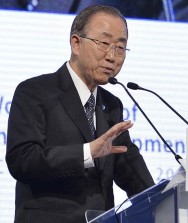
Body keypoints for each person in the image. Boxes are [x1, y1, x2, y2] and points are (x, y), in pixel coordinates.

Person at [6, 5, 154, 223]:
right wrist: (87, 153)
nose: (112, 57)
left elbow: (134, 175)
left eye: (120, 48)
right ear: (76, 43)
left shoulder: (111, 105)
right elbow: (22, 160)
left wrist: (174, 191)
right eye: (104, 44)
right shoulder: (35, 91)